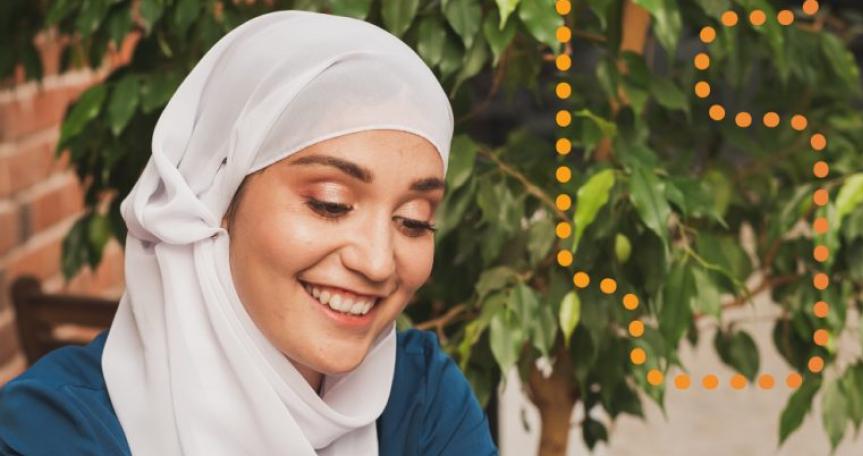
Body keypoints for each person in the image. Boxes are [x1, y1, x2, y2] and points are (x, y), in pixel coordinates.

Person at [0, 10, 497, 456]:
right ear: (216, 197)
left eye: (413, 220)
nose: (377, 262)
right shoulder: (50, 432)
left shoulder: (421, 395)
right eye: (331, 204)